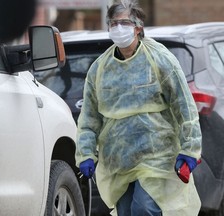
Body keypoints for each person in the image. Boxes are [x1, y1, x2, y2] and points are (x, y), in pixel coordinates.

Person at [75, 0, 202, 215]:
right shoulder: (99, 69)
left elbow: (184, 107)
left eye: (124, 22)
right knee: (125, 211)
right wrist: (86, 152)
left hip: (157, 157)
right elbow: (89, 117)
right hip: (118, 161)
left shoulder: (160, 60)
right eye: (113, 23)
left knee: (143, 209)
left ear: (138, 27)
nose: (118, 28)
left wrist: (190, 148)